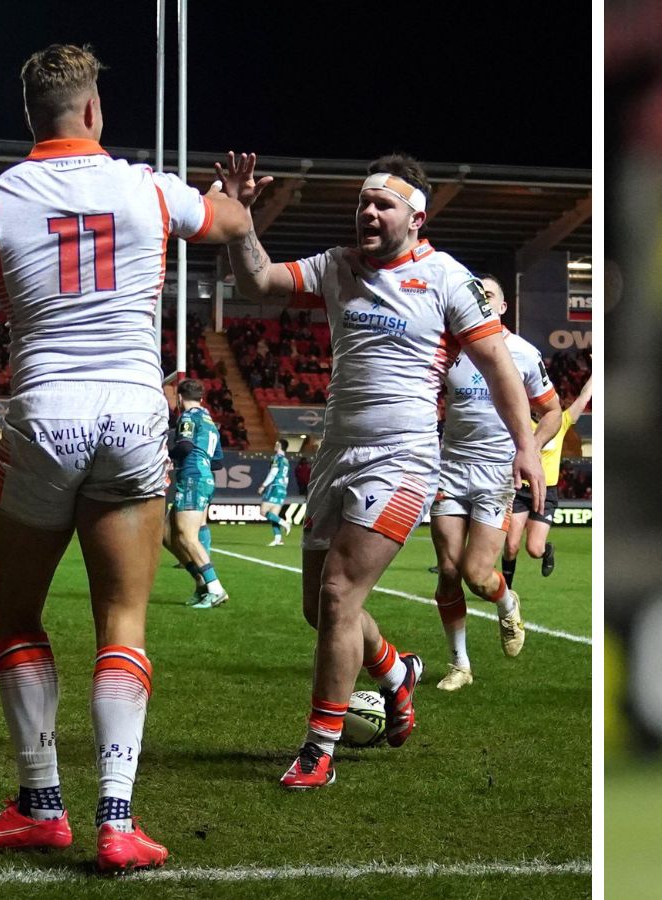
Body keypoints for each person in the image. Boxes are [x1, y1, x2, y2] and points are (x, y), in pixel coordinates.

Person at [0, 44, 251, 874]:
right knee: (122, 620)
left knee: (17, 611)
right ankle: (116, 821)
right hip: (135, 416)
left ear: (31, 117)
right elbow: (230, 224)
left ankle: (41, 804)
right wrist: (233, 198)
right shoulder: (146, 188)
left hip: (45, 416)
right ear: (95, 111)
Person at [219, 150, 545, 789]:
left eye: (382, 204)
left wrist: (526, 445)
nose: (368, 211)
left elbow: (499, 368)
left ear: (415, 217)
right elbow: (259, 282)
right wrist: (241, 220)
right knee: (322, 609)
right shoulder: (338, 266)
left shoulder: (448, 279)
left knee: (340, 593)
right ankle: (397, 675)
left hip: (404, 459)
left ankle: (319, 750)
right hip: (337, 453)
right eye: (363, 202)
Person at [429, 275, 564, 691]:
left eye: (488, 296)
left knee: (476, 572)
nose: (481, 301)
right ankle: (460, 665)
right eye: (476, 295)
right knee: (449, 571)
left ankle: (506, 601)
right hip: (449, 469)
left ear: (502, 307)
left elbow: (554, 412)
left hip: (496, 474)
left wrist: (529, 450)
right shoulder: (451, 349)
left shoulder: (522, 354)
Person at [503, 371, 593, 587]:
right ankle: (506, 592)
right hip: (520, 490)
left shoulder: (561, 422)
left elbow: (583, 398)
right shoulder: (521, 424)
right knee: (511, 545)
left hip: (546, 492)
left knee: (534, 549)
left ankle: (546, 551)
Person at [169, 378, 229, 608]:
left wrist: (167, 453)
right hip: (203, 476)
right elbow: (218, 463)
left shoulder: (188, 417)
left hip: (192, 477)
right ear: (202, 398)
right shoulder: (210, 422)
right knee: (168, 535)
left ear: (180, 398)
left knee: (186, 536)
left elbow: (183, 446)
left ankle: (214, 588)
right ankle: (202, 583)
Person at [259, 438, 294, 546]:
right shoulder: (286, 461)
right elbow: (287, 478)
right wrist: (283, 489)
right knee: (274, 515)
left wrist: (263, 485)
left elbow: (273, 473)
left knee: (263, 512)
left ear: (279, 445)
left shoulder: (277, 458)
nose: (274, 445)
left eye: (276, 443)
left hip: (274, 486)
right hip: (283, 488)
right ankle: (278, 539)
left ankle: (285, 523)